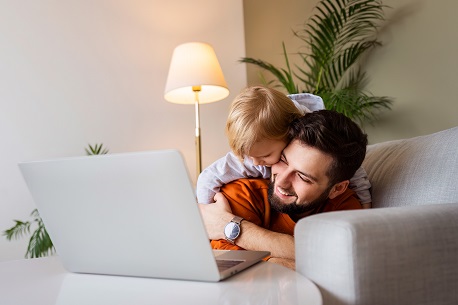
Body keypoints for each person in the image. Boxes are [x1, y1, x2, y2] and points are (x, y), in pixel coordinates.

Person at [199, 110, 368, 269]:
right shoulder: (244, 193)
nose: (282, 181)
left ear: (337, 189)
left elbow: (344, 259)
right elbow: (227, 263)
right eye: (283, 160)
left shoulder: (344, 207)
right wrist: (284, 262)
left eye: (303, 177)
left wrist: (230, 227)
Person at [196, 86, 372, 208]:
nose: (256, 163)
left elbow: (348, 163)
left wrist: (365, 202)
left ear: (290, 133)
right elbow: (208, 178)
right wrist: (206, 215)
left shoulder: (314, 137)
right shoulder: (251, 156)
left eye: (266, 156)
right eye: (247, 156)